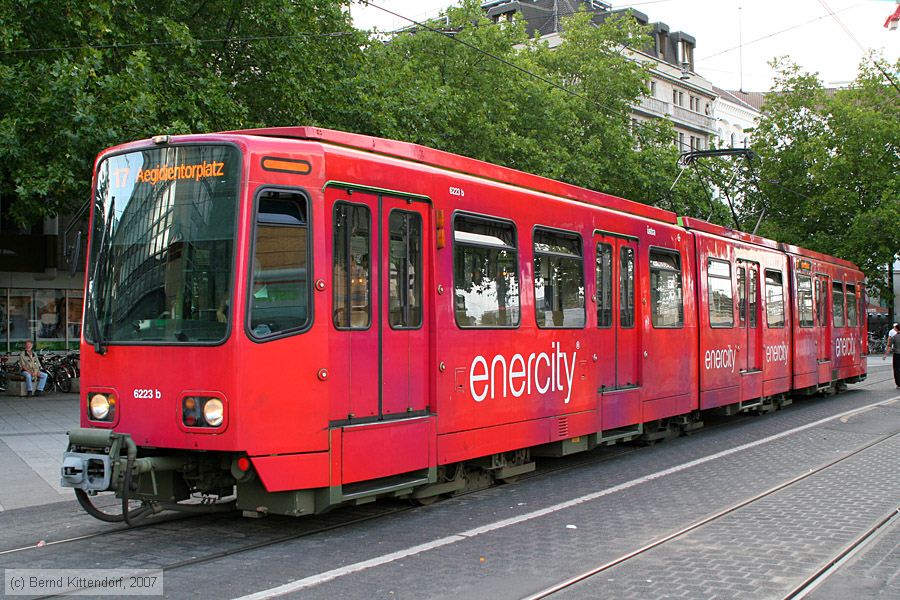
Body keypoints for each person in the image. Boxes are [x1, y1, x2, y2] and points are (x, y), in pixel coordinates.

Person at [886, 323, 900, 388]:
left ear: (896, 329)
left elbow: (889, 346)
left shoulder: (894, 337)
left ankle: (898, 383)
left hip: (897, 355)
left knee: (896, 369)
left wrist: (886, 355)